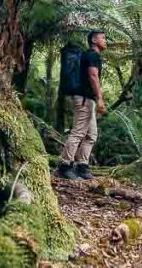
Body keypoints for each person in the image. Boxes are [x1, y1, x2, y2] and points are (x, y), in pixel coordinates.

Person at [56, 30, 107, 180]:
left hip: (87, 99)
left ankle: (82, 166)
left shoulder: (92, 55)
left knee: (91, 135)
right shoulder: (92, 55)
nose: (105, 40)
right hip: (85, 99)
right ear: (93, 40)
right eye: (102, 38)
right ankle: (64, 166)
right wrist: (100, 98)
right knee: (79, 132)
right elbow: (93, 75)